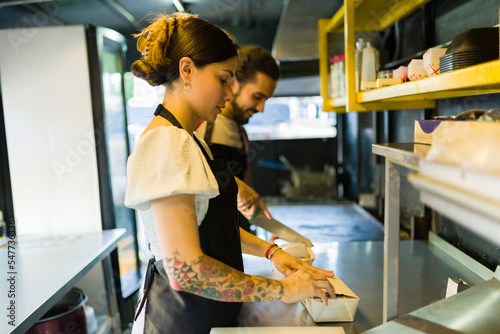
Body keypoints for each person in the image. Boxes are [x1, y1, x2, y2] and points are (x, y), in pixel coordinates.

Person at [124, 12, 334, 334]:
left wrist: (271, 251)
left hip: (207, 317)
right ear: (187, 70)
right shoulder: (166, 143)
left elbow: (208, 232)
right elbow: (187, 271)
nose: (229, 92)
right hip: (182, 322)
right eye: (223, 79)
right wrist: (284, 289)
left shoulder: (190, 140)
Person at [195, 45, 279, 233]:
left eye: (266, 99)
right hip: (203, 239)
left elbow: (247, 192)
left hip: (238, 239)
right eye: (257, 97)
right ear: (233, 83)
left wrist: (265, 226)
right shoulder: (197, 124)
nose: (261, 108)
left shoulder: (242, 135)